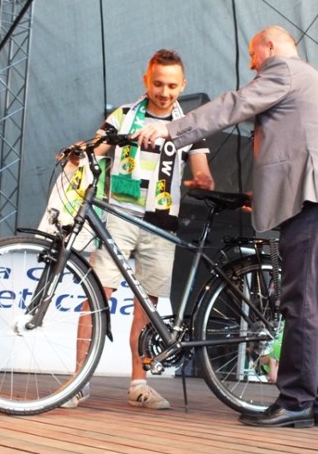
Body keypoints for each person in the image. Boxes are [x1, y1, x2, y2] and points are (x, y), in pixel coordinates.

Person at [133, 25, 318, 427]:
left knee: (303, 306)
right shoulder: (314, 83)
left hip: (317, 201)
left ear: (271, 47)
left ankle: (294, 399)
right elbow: (298, 144)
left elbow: (234, 104)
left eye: (253, 54)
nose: (251, 63)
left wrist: (171, 129)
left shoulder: (284, 71)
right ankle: (316, 405)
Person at [60, 49, 214, 409]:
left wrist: (201, 178)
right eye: (158, 83)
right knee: (98, 296)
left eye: (172, 85)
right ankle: (78, 380)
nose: (164, 92)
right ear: (146, 80)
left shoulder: (187, 123)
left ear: (183, 85)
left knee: (147, 305)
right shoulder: (124, 116)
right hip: (119, 215)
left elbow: (202, 169)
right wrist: (79, 153)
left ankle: (139, 383)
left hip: (162, 222)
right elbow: (96, 149)